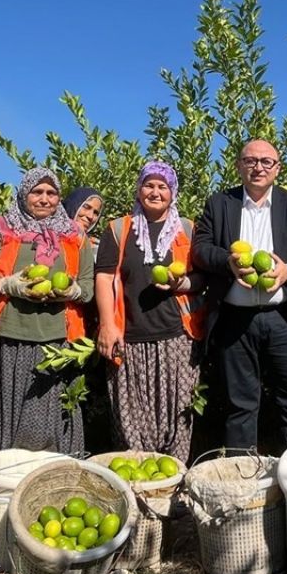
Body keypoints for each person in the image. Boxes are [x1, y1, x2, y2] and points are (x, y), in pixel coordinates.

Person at [192, 139, 287, 451]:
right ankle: (242, 479)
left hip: (284, 318)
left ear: (277, 168)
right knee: (240, 406)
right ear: (239, 165)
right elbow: (200, 249)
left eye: (267, 162)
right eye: (250, 161)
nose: (258, 167)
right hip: (235, 319)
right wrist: (228, 262)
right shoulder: (220, 203)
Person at [0, 167, 94, 474]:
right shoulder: (0, 228)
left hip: (55, 341)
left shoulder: (75, 238)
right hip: (1, 336)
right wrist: (6, 284)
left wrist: (71, 290)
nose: (44, 199)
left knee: (46, 427)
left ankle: (43, 493)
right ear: (23, 194)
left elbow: (87, 287)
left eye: (51, 193)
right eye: (37, 192)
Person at [94, 162, 206, 462]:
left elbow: (202, 279)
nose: (155, 192)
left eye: (163, 186)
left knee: (178, 415)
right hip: (128, 337)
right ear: (139, 189)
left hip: (178, 337)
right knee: (131, 418)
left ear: (173, 193)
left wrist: (180, 283)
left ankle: (173, 485)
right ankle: (136, 486)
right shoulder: (118, 229)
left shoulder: (188, 229)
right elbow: (104, 277)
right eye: (149, 185)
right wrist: (107, 325)